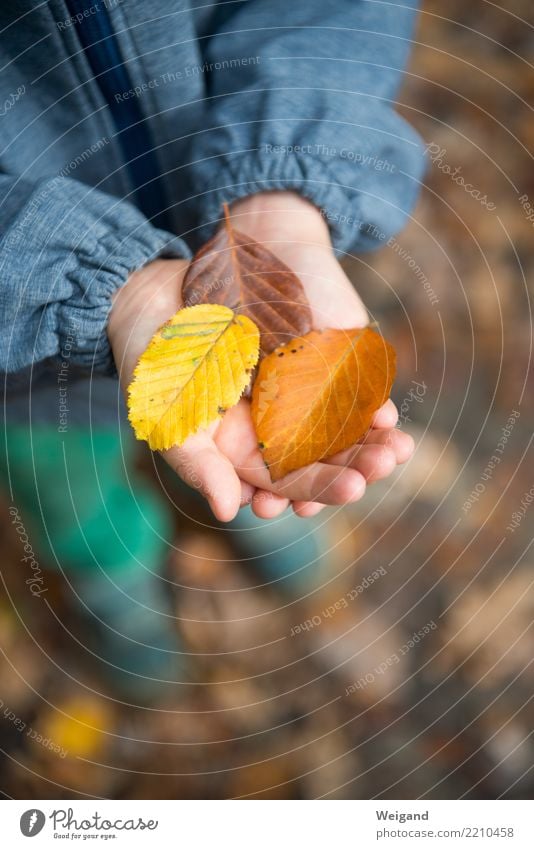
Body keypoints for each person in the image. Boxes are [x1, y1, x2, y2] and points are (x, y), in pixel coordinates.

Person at [0, 0, 424, 702]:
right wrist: (94, 279)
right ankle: (114, 591)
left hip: (212, 194)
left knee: (250, 473)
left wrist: (277, 198)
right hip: (22, 359)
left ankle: (275, 519)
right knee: (65, 492)